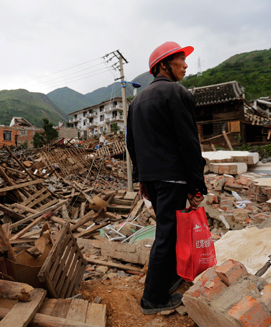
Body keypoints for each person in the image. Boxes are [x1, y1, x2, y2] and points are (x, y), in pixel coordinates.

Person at [126, 41, 207, 314]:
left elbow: (132, 144)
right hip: (173, 175)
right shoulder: (176, 92)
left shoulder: (136, 102)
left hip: (154, 179)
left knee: (168, 231)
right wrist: (197, 183)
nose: (185, 65)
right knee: (167, 235)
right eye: (180, 60)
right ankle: (153, 298)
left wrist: (142, 181)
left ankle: (168, 278)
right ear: (163, 65)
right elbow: (188, 142)